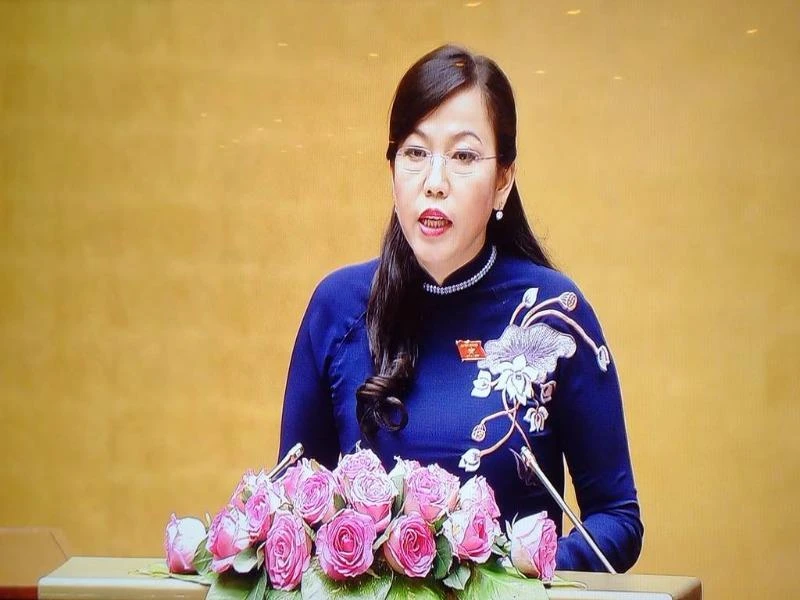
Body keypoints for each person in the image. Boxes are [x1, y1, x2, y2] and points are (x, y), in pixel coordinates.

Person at [278, 44, 643, 572]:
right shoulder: (336, 308)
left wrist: (513, 573)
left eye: (464, 156)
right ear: (392, 169)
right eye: (415, 152)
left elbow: (617, 520)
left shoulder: (554, 314)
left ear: (503, 180)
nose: (435, 182)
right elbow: (291, 512)